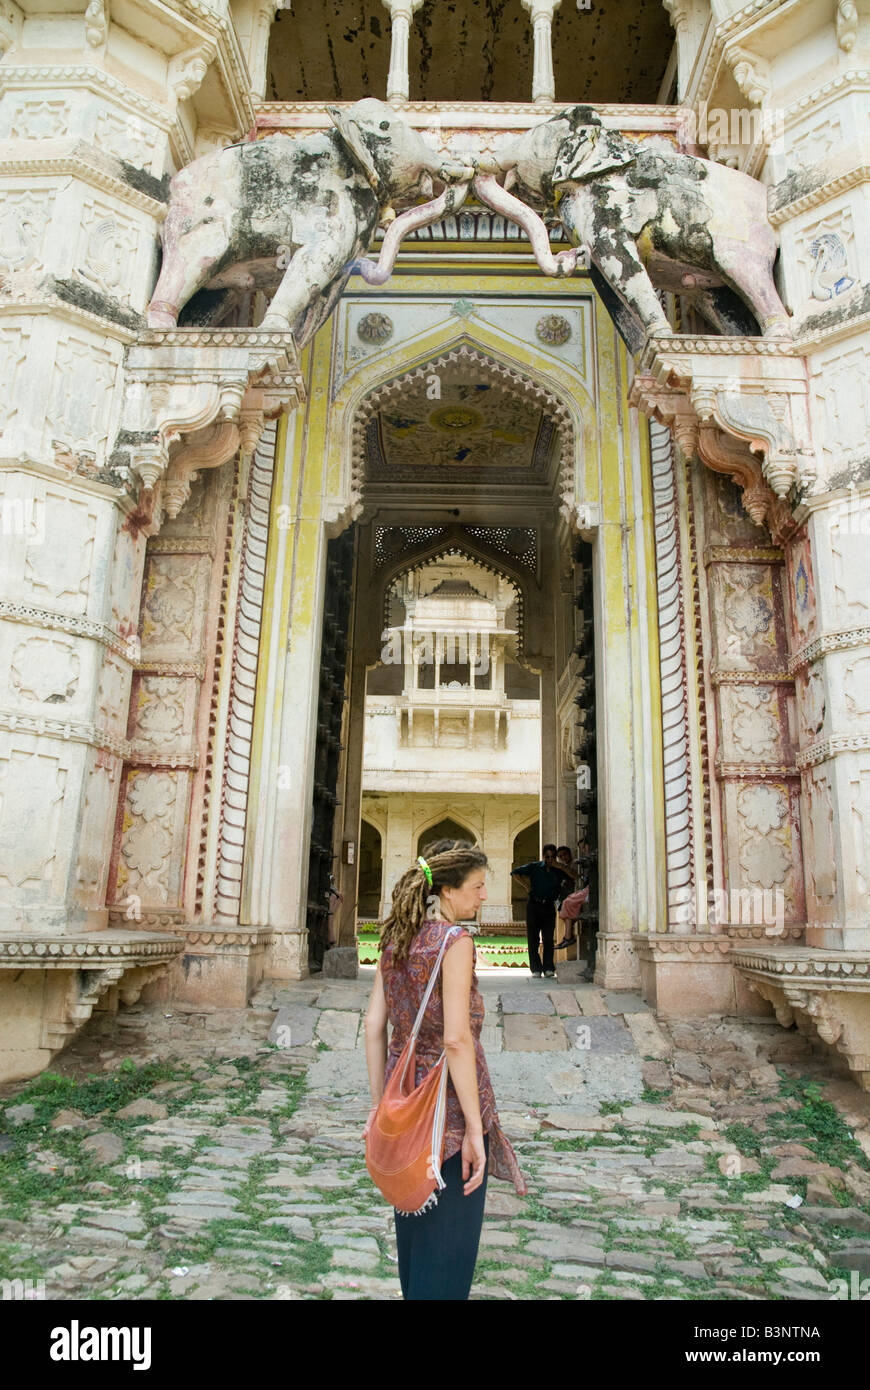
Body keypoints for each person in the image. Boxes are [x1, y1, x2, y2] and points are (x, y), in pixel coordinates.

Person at [363, 838, 527, 1301]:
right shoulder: (455, 942)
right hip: (445, 1112)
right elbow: (456, 1041)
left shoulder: (395, 936)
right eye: (477, 887)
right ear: (449, 891)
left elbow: (375, 1026)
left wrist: (380, 1109)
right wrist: (476, 1131)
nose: (483, 897)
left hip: (404, 1111)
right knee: (448, 1259)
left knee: (416, 1244)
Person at [511, 843, 573, 979]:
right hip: (534, 905)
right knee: (533, 938)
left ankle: (549, 967)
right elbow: (515, 873)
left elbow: (574, 876)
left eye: (552, 857)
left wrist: (560, 866)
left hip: (549, 906)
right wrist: (526, 886)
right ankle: (536, 969)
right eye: (547, 856)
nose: (549, 859)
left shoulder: (559, 870)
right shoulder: (535, 867)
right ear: (543, 856)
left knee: (548, 938)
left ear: (555, 857)